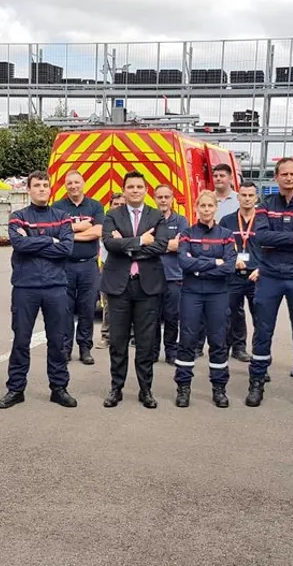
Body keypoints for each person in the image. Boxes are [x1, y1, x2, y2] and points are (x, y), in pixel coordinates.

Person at [246, 158, 293, 411]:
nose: (288, 178)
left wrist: (282, 240)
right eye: (284, 174)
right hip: (270, 276)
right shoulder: (265, 205)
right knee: (263, 331)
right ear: (276, 177)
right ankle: (256, 382)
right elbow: (261, 238)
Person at [0, 171, 78, 409]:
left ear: (51, 189)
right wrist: (49, 240)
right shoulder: (18, 216)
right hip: (25, 287)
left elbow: (66, 249)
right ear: (29, 190)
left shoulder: (62, 216)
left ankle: (59, 388)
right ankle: (15, 389)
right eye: (37, 185)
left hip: (55, 287)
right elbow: (19, 244)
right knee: (21, 340)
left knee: (57, 340)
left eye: (45, 185)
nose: (42, 189)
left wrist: (34, 241)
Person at [100, 170, 169, 409]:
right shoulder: (112, 214)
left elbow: (160, 246)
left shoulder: (156, 216)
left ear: (146, 189)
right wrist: (140, 241)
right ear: (124, 189)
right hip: (119, 286)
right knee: (118, 341)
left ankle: (145, 390)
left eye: (139, 187)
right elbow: (109, 243)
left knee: (146, 341)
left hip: (147, 286)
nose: (135, 191)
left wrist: (125, 244)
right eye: (131, 187)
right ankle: (116, 388)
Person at [173, 191, 236, 407]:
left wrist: (199, 266)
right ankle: (183, 387)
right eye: (203, 206)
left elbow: (229, 267)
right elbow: (183, 262)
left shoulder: (227, 234)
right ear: (197, 207)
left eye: (210, 206)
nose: (206, 209)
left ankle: (219, 388)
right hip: (191, 293)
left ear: (215, 207)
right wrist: (214, 263)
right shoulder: (187, 234)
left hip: (217, 294)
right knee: (187, 341)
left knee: (218, 341)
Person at [53, 169, 105, 365]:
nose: (73, 186)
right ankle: (65, 348)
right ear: (65, 186)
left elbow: (98, 231)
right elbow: (55, 232)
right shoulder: (58, 207)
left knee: (87, 308)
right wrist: (81, 227)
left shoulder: (95, 206)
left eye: (76, 182)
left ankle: (85, 348)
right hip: (64, 265)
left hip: (88, 266)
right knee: (64, 309)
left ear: (83, 183)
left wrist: (69, 234)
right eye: (69, 183)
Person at [218, 182, 261, 363]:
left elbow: (272, 248)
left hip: (257, 275)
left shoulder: (264, 220)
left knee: (260, 316)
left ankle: (260, 357)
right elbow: (220, 245)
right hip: (233, 274)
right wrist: (231, 260)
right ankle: (235, 348)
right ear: (238, 197)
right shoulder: (227, 220)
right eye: (244, 195)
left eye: (251, 195)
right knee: (230, 312)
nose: (247, 198)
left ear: (256, 198)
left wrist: (262, 268)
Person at [152, 184, 187, 364]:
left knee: (172, 317)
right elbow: (145, 244)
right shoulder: (149, 220)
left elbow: (179, 245)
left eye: (167, 197)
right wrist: (166, 244)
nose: (163, 200)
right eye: (160, 197)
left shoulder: (181, 221)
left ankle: (171, 351)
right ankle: (153, 351)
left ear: (172, 199)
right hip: (152, 276)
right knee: (153, 317)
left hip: (174, 277)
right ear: (154, 198)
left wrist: (156, 244)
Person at [97, 192, 126, 349]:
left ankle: (131, 336)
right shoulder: (105, 222)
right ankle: (106, 336)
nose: (119, 207)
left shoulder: (130, 221)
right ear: (110, 206)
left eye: (122, 205)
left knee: (130, 301)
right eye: (116, 204)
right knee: (108, 303)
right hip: (108, 264)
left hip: (128, 264)